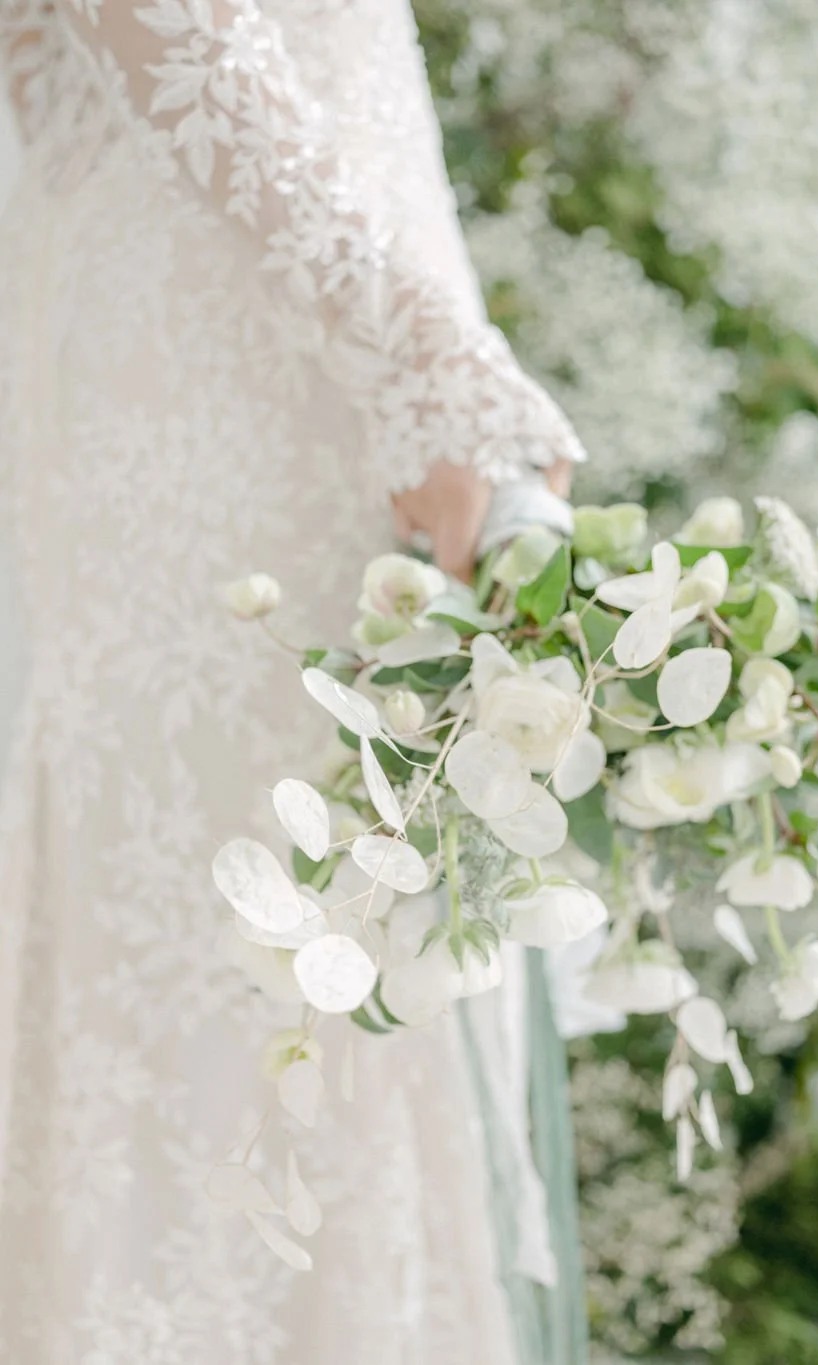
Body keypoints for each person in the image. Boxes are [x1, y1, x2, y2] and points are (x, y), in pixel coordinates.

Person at [0, 1, 586, 1360]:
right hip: (235, 370)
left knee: (336, 944)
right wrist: (425, 367)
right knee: (233, 925)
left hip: (293, 336)